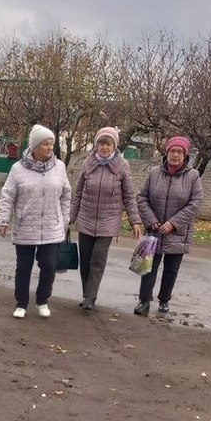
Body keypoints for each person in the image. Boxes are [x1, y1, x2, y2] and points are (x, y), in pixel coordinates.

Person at [0, 124, 71, 319]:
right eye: (46, 144)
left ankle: (42, 300)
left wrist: (64, 219)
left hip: (52, 227)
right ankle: (21, 303)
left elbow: (66, 195)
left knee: (48, 264)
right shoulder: (18, 169)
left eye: (52, 144)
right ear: (35, 147)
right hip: (25, 226)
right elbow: (7, 196)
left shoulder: (60, 167)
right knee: (24, 267)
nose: (50, 148)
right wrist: (3, 220)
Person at [68, 127, 143, 311]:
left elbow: (129, 196)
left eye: (108, 144)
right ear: (97, 145)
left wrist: (135, 220)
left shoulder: (122, 166)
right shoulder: (88, 163)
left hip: (108, 221)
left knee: (97, 259)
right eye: (101, 143)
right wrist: (71, 216)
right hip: (86, 218)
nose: (104, 147)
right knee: (85, 260)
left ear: (114, 145)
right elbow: (78, 193)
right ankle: (87, 293)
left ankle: (90, 297)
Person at [134, 136, 204, 316]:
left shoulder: (193, 176)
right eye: (172, 151)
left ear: (185, 155)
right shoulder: (154, 172)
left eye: (179, 151)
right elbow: (142, 198)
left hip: (178, 232)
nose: (175, 155)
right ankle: (143, 301)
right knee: (147, 266)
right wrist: (151, 220)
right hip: (153, 229)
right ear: (167, 153)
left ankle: (164, 300)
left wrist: (174, 223)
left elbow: (195, 203)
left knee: (171, 269)